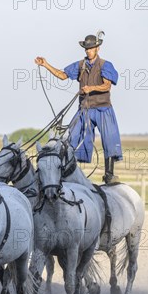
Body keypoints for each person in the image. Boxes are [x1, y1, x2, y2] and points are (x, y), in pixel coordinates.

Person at [35, 32, 122, 184]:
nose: (88, 51)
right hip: (85, 109)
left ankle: (109, 174)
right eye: (86, 49)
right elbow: (62, 75)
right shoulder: (80, 65)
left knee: (109, 139)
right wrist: (45, 64)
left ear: (97, 49)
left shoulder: (105, 65)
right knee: (73, 138)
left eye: (91, 48)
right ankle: (70, 172)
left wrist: (91, 88)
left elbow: (107, 85)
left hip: (103, 108)